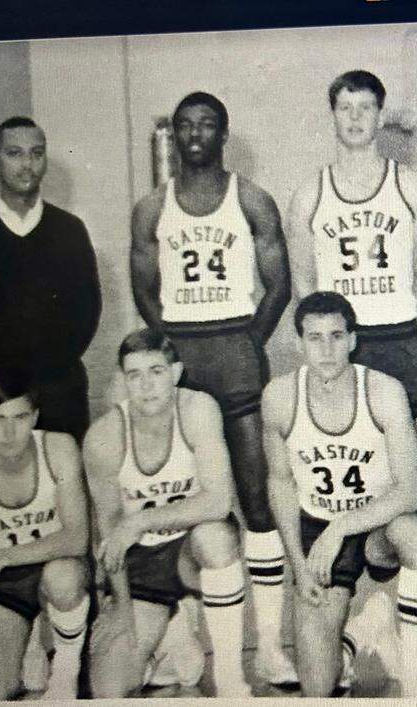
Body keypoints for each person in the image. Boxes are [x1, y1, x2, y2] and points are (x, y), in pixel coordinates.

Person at [129, 91, 294, 685]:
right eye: (184, 126)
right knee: (178, 501)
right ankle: (182, 640)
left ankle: (270, 645)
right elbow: (145, 289)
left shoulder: (251, 199)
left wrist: (252, 339)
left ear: (224, 134)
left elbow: (279, 283)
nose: (195, 134)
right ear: (173, 136)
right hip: (184, 354)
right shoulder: (152, 208)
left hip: (235, 349)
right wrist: (168, 345)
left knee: (255, 501)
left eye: (207, 125)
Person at [262, 292, 417, 697]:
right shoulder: (279, 397)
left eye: (336, 337)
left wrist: (341, 528)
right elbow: (280, 484)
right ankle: (361, 632)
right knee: (318, 688)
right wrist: (299, 564)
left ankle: (414, 679)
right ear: (298, 342)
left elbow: (411, 491)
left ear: (354, 340)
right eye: (315, 338)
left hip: (377, 523)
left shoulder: (384, 391)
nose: (326, 349)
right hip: (316, 527)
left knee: (414, 532)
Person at [83, 329, 251, 697]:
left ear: (175, 373)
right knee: (108, 689)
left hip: (190, 547)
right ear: (122, 380)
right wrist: (122, 610)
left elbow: (219, 501)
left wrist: (140, 520)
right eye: (135, 375)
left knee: (216, 537)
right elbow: (111, 535)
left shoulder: (197, 409)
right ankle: (173, 631)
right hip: (142, 561)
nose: (146, 386)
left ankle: (228, 675)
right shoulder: (104, 437)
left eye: (156, 372)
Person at [285, 70, 417, 446]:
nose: (355, 118)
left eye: (365, 107)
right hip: (338, 344)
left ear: (381, 115)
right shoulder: (311, 194)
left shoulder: (409, 186)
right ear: (333, 115)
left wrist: (397, 319)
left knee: (412, 462)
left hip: (398, 336)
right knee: (351, 455)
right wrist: (328, 338)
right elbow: (304, 285)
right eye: (345, 108)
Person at [0, 117, 101, 445]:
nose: (27, 164)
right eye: (14, 153)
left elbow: (86, 313)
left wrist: (47, 378)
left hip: (57, 390)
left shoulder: (69, 230)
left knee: (66, 483)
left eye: (36, 153)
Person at [0, 372, 90, 700]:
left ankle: (65, 667)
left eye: (19, 417)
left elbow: (77, 538)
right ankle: (34, 636)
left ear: (35, 416)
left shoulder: (59, 447)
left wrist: (0, 557)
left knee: (62, 577)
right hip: (7, 582)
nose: (8, 433)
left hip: (60, 569)